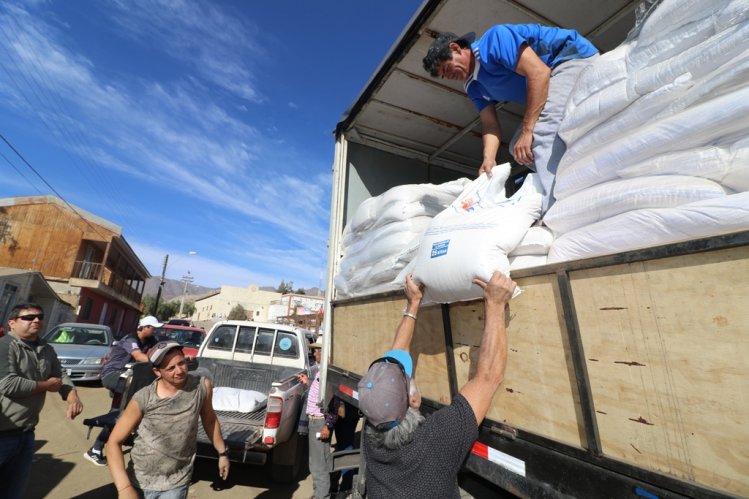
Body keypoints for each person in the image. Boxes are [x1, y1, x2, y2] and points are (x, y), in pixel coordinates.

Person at [358, 272, 516, 498]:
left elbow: (398, 352)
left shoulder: (373, 430)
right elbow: (488, 378)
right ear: (413, 399)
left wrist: (413, 304)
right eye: (409, 377)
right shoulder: (436, 441)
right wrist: (495, 304)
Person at [422, 25, 599, 211]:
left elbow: (539, 73)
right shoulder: (472, 85)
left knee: (539, 133)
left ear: (455, 48)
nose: (450, 76)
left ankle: (558, 207)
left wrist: (528, 130)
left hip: (567, 59)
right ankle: (577, 176)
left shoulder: (493, 41)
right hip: (549, 78)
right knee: (518, 147)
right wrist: (488, 159)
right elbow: (490, 124)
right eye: (445, 76)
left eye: (447, 68)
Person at [106, 340, 229, 498]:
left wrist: (222, 454)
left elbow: (210, 421)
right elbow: (113, 443)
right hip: (140, 482)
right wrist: (124, 489)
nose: (179, 371)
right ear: (157, 372)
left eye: (181, 363)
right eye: (170, 368)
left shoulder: (201, 387)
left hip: (176, 482)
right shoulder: (143, 398)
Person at [0, 302, 84, 499]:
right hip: (2, 433)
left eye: (40, 316)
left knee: (13, 491)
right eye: (28, 317)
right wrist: (46, 385)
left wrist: (71, 395)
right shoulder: (4, 346)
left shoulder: (45, 347)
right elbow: (8, 385)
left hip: (26, 434)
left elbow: (59, 373)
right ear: (12, 323)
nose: (36, 320)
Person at [84, 315, 161, 466]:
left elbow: (160, 349)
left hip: (128, 378)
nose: (155, 331)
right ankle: (97, 448)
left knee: (121, 413)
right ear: (144, 327)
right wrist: (161, 362)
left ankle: (98, 447)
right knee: (119, 414)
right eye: (153, 328)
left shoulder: (151, 340)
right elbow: (139, 356)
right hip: (113, 376)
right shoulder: (130, 339)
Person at [297, 341, 339, 499]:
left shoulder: (328, 373)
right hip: (316, 422)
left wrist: (327, 426)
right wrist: (307, 382)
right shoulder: (322, 372)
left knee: (318, 466)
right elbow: (320, 394)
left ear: (326, 352)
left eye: (318, 351)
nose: (314, 354)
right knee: (317, 463)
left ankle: (322, 496)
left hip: (320, 422)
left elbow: (335, 402)